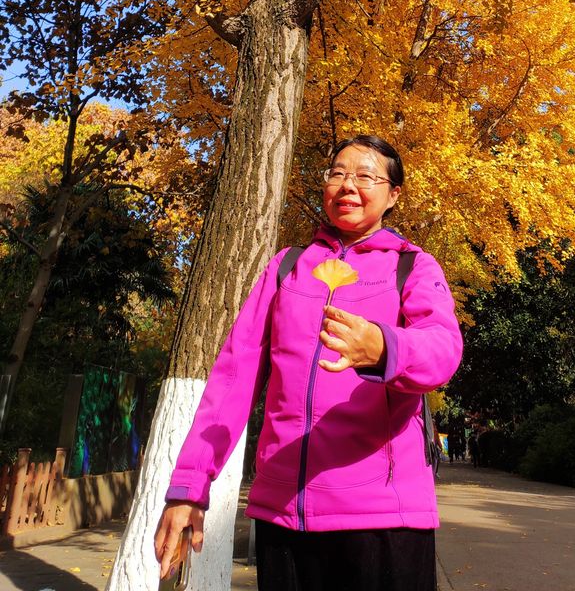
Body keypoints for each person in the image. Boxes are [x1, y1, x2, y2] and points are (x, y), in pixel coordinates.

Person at [155, 135, 463, 591]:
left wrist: (384, 348)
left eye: (365, 175)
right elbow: (232, 380)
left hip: (383, 518)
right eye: (337, 173)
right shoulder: (287, 268)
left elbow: (442, 349)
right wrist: (188, 487)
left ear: (393, 194)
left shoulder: (412, 267)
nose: (347, 186)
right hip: (284, 517)